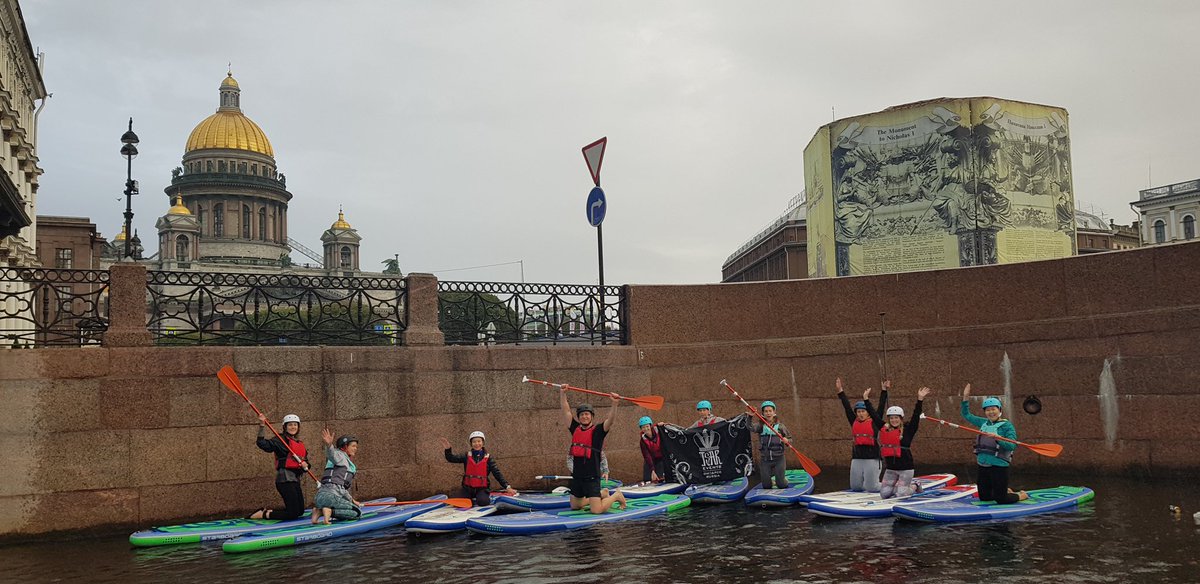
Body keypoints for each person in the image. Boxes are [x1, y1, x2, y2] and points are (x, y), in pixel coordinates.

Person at [560, 388, 627, 514]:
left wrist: (615, 403)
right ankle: (603, 493)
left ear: (591, 416)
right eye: (582, 415)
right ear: (579, 417)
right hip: (578, 476)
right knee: (575, 506)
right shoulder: (574, 428)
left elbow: (610, 420)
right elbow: (566, 411)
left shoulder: (598, 431)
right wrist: (563, 393)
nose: (584, 416)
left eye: (587, 414)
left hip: (592, 476)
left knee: (596, 511)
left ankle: (616, 496)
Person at [961, 384, 1028, 504]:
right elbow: (966, 415)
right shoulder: (983, 423)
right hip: (983, 465)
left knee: (1001, 499)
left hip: (999, 466)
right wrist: (965, 398)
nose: (991, 412)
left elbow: (1011, 446)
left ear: (999, 410)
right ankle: (1004, 490)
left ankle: (1021, 495)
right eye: (988, 410)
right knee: (985, 497)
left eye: (993, 409)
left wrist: (999, 438)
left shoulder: (1007, 426)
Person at [248, 413, 310, 520]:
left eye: (295, 425)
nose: (293, 427)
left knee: (300, 511)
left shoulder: (299, 443)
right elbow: (262, 443)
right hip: (285, 480)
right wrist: (262, 426)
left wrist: (306, 465)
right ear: (285, 427)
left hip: (295, 480)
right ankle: (263, 515)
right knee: (293, 513)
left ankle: (268, 511)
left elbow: (307, 464)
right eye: (290, 425)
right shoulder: (280, 440)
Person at [878, 387, 931, 499]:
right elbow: (874, 416)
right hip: (891, 468)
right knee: (884, 494)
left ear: (901, 419)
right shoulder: (886, 429)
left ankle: (915, 485)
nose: (894, 420)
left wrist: (920, 399)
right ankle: (901, 488)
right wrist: (867, 399)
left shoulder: (909, 429)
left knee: (901, 495)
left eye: (896, 418)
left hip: (906, 469)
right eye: (891, 418)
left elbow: (916, 416)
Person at [836, 377, 888, 492]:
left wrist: (884, 390)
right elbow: (846, 406)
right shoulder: (853, 421)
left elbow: (881, 406)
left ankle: (892, 486)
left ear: (868, 413)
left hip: (872, 458)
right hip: (857, 458)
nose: (860, 414)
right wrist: (840, 391)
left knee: (872, 488)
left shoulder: (875, 421)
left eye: (863, 411)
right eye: (858, 412)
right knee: (856, 487)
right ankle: (869, 485)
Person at [440, 431, 516, 507]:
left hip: (482, 489)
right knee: (457, 502)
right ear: (471, 444)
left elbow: (497, 473)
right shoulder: (466, 456)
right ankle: (469, 498)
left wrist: (507, 487)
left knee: (483, 502)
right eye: (474, 442)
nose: (477, 444)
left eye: (479, 441)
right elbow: (451, 459)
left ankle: (480, 497)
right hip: (468, 488)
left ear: (483, 443)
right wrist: (448, 449)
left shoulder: (488, 458)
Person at [312, 429, 362, 525]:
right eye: (353, 446)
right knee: (357, 512)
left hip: (320, 497)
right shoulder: (340, 456)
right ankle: (328, 511)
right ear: (344, 446)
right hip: (331, 497)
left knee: (350, 506)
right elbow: (331, 454)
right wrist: (329, 445)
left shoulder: (344, 460)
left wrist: (352, 500)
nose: (355, 448)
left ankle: (318, 512)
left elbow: (341, 487)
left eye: (356, 446)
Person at [749, 401, 792, 489]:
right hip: (765, 459)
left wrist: (786, 440)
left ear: (774, 412)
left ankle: (783, 480)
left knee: (781, 485)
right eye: (766, 411)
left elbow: (790, 439)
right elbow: (750, 427)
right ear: (763, 413)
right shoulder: (760, 426)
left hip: (779, 458)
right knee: (766, 486)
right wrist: (750, 416)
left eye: (770, 411)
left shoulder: (780, 426)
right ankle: (771, 481)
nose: (768, 413)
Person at [638, 416, 667, 483]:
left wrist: (663, 425)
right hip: (651, 459)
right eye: (643, 427)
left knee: (660, 477)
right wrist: (652, 470)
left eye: (647, 426)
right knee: (648, 478)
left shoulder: (658, 430)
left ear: (650, 426)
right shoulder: (642, 441)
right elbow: (647, 456)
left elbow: (665, 427)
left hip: (662, 458)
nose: (646, 429)